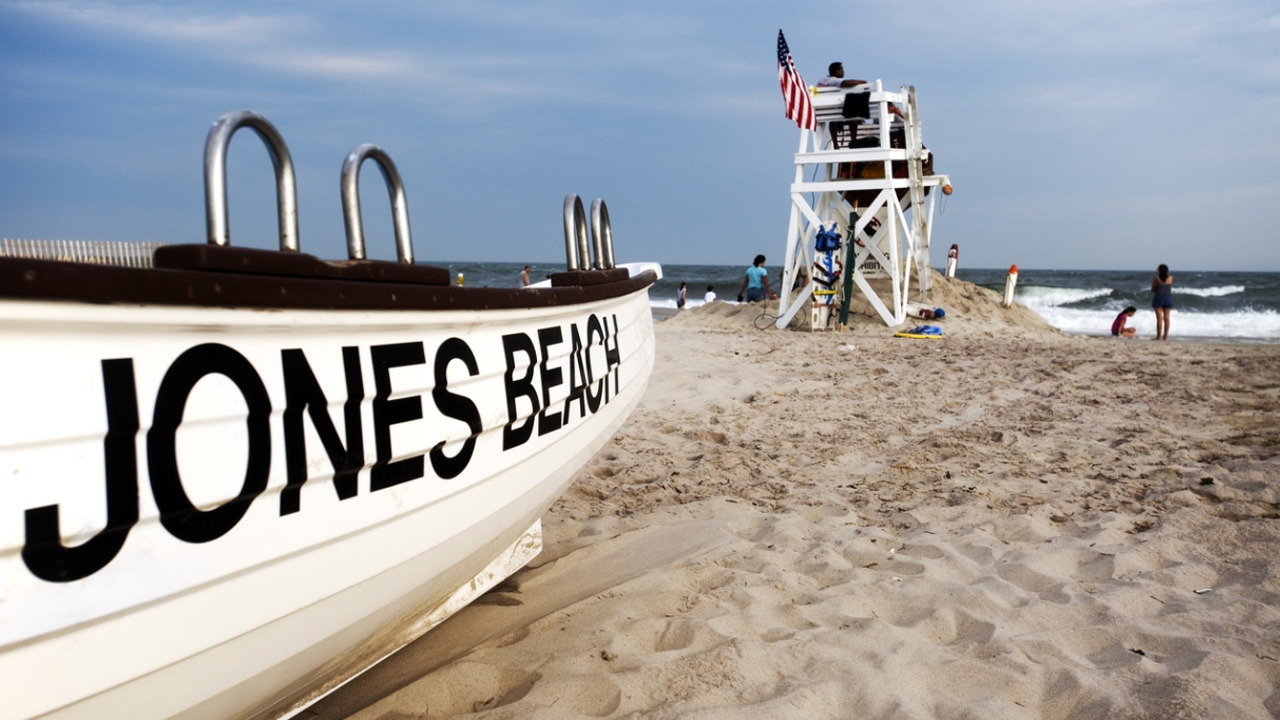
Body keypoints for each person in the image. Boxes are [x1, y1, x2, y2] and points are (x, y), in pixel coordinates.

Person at [1151, 264, 1173, 340]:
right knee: (1166, 318)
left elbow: (1153, 289)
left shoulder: (1156, 279)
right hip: (1168, 298)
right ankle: (1165, 336)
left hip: (1159, 297)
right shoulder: (1170, 278)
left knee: (1159, 318)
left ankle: (1158, 336)